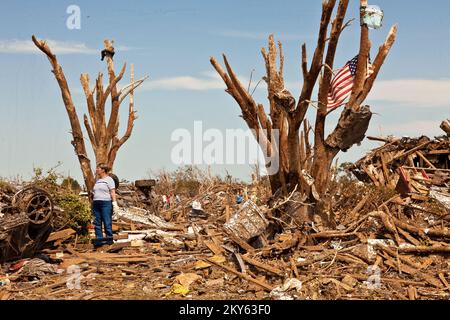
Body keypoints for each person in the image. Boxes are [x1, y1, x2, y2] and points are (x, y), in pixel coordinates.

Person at [91, 164, 119, 247]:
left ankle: (109, 241)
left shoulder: (109, 180)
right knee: (97, 223)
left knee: (107, 222)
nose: (96, 170)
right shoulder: (98, 180)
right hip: (96, 203)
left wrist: (114, 203)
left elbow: (112, 192)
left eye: (98, 168)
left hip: (105, 203)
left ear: (103, 170)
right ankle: (99, 241)